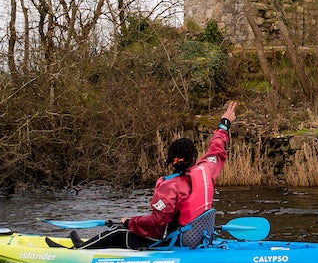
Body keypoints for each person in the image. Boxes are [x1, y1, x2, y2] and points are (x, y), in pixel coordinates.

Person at [74, 101, 236, 250]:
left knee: (118, 233)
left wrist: (130, 222)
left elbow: (157, 225)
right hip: (201, 240)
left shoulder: (170, 185)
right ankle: (84, 244)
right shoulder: (207, 170)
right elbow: (217, 148)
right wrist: (224, 124)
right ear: (194, 158)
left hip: (177, 243)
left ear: (172, 160)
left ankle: (77, 251)